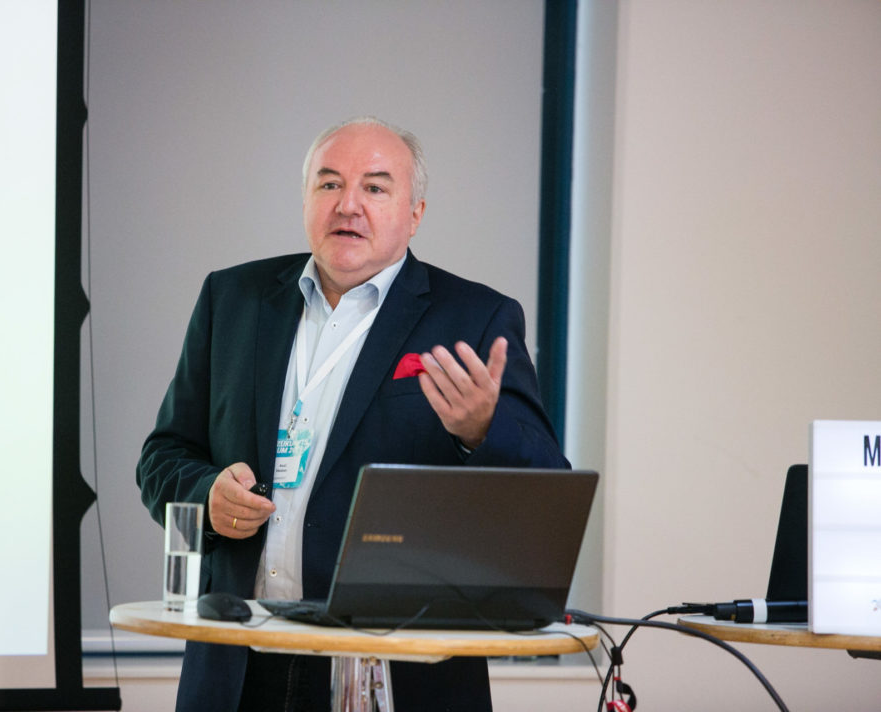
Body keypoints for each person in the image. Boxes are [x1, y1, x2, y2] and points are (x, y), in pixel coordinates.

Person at [137, 116, 569, 712]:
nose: (348, 205)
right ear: (307, 198)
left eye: (375, 187)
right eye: (329, 184)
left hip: (393, 675)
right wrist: (207, 494)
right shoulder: (233, 299)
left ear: (414, 213)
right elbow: (162, 456)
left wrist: (480, 431)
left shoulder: (474, 317)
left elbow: (546, 493)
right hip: (238, 664)